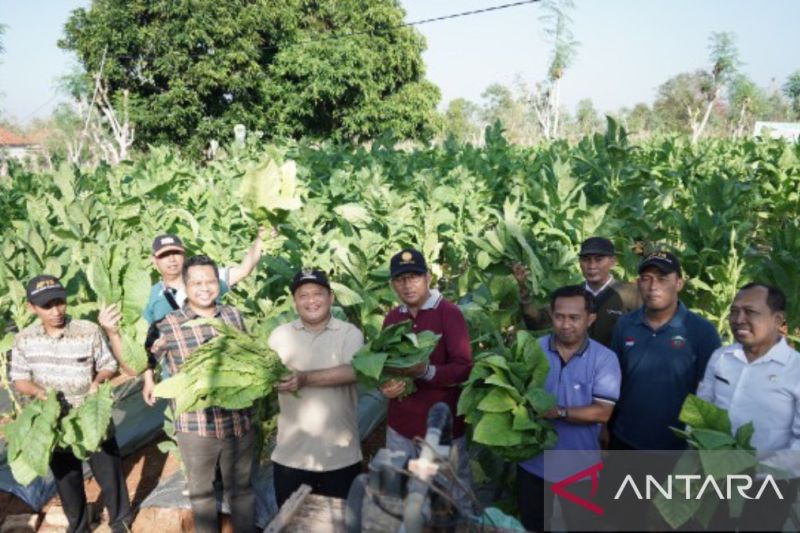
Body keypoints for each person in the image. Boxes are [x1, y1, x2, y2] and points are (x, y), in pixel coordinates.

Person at [10, 275, 132, 533]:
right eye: (47, 306)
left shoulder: (87, 330)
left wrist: (98, 381)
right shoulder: (24, 339)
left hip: (91, 416)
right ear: (32, 307)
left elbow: (109, 364)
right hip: (55, 422)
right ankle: (78, 527)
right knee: (67, 480)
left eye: (60, 302)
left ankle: (121, 523)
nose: (56, 311)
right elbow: (19, 379)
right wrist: (39, 393)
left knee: (109, 474)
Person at [142, 255, 255, 533]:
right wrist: (147, 379)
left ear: (218, 283)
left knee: (241, 491)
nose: (204, 288)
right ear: (185, 285)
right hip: (195, 425)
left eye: (210, 281)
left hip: (238, 422)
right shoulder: (166, 324)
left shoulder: (233, 315)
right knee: (202, 494)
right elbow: (143, 358)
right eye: (196, 283)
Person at [517, 285, 621, 532]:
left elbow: (603, 411)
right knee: (532, 526)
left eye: (574, 318)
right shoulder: (533, 349)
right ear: (551, 316)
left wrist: (559, 412)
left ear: (590, 319)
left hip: (579, 468)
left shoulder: (604, 359)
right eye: (559, 316)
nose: (565, 324)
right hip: (533, 463)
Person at [697, 283, 800, 531]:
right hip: (717, 476)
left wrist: (756, 466)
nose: (738, 319)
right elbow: (702, 411)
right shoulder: (721, 358)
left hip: (770, 482)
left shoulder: (795, 369)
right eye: (734, 311)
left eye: (750, 312)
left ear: (777, 319)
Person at [380, 248, 474, 511]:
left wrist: (426, 372)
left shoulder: (448, 313)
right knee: (400, 497)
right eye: (400, 279)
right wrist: (385, 386)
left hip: (442, 429)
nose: (407, 284)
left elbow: (464, 367)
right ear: (393, 284)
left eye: (414, 277)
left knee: (454, 500)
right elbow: (382, 364)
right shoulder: (393, 317)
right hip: (400, 427)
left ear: (428, 278)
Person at [267, 269, 364, 507]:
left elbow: (354, 371)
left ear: (330, 297)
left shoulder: (349, 333)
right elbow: (266, 378)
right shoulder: (280, 336)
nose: (311, 301)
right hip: (291, 456)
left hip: (340, 455)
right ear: (294, 301)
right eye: (303, 295)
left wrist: (304, 379)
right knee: (291, 524)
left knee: (340, 525)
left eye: (318, 294)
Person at [609, 251, 721, 450]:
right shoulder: (625, 324)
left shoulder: (701, 331)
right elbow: (613, 379)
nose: (653, 287)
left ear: (679, 283)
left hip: (676, 446)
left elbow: (711, 394)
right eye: (646, 279)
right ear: (638, 283)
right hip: (625, 438)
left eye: (662, 279)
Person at [513, 236, 640, 348]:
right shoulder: (572, 295)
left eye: (598, 260)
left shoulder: (631, 294)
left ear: (613, 262)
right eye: (586, 260)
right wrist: (523, 289)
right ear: (579, 263)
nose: (591, 266)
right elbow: (536, 322)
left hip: (616, 371)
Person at [142, 227, 272, 325]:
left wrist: (260, 239)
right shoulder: (149, 296)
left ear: (184, 255)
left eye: (176, 253)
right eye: (164, 255)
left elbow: (244, 270)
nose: (172, 259)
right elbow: (146, 337)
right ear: (154, 260)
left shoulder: (208, 278)